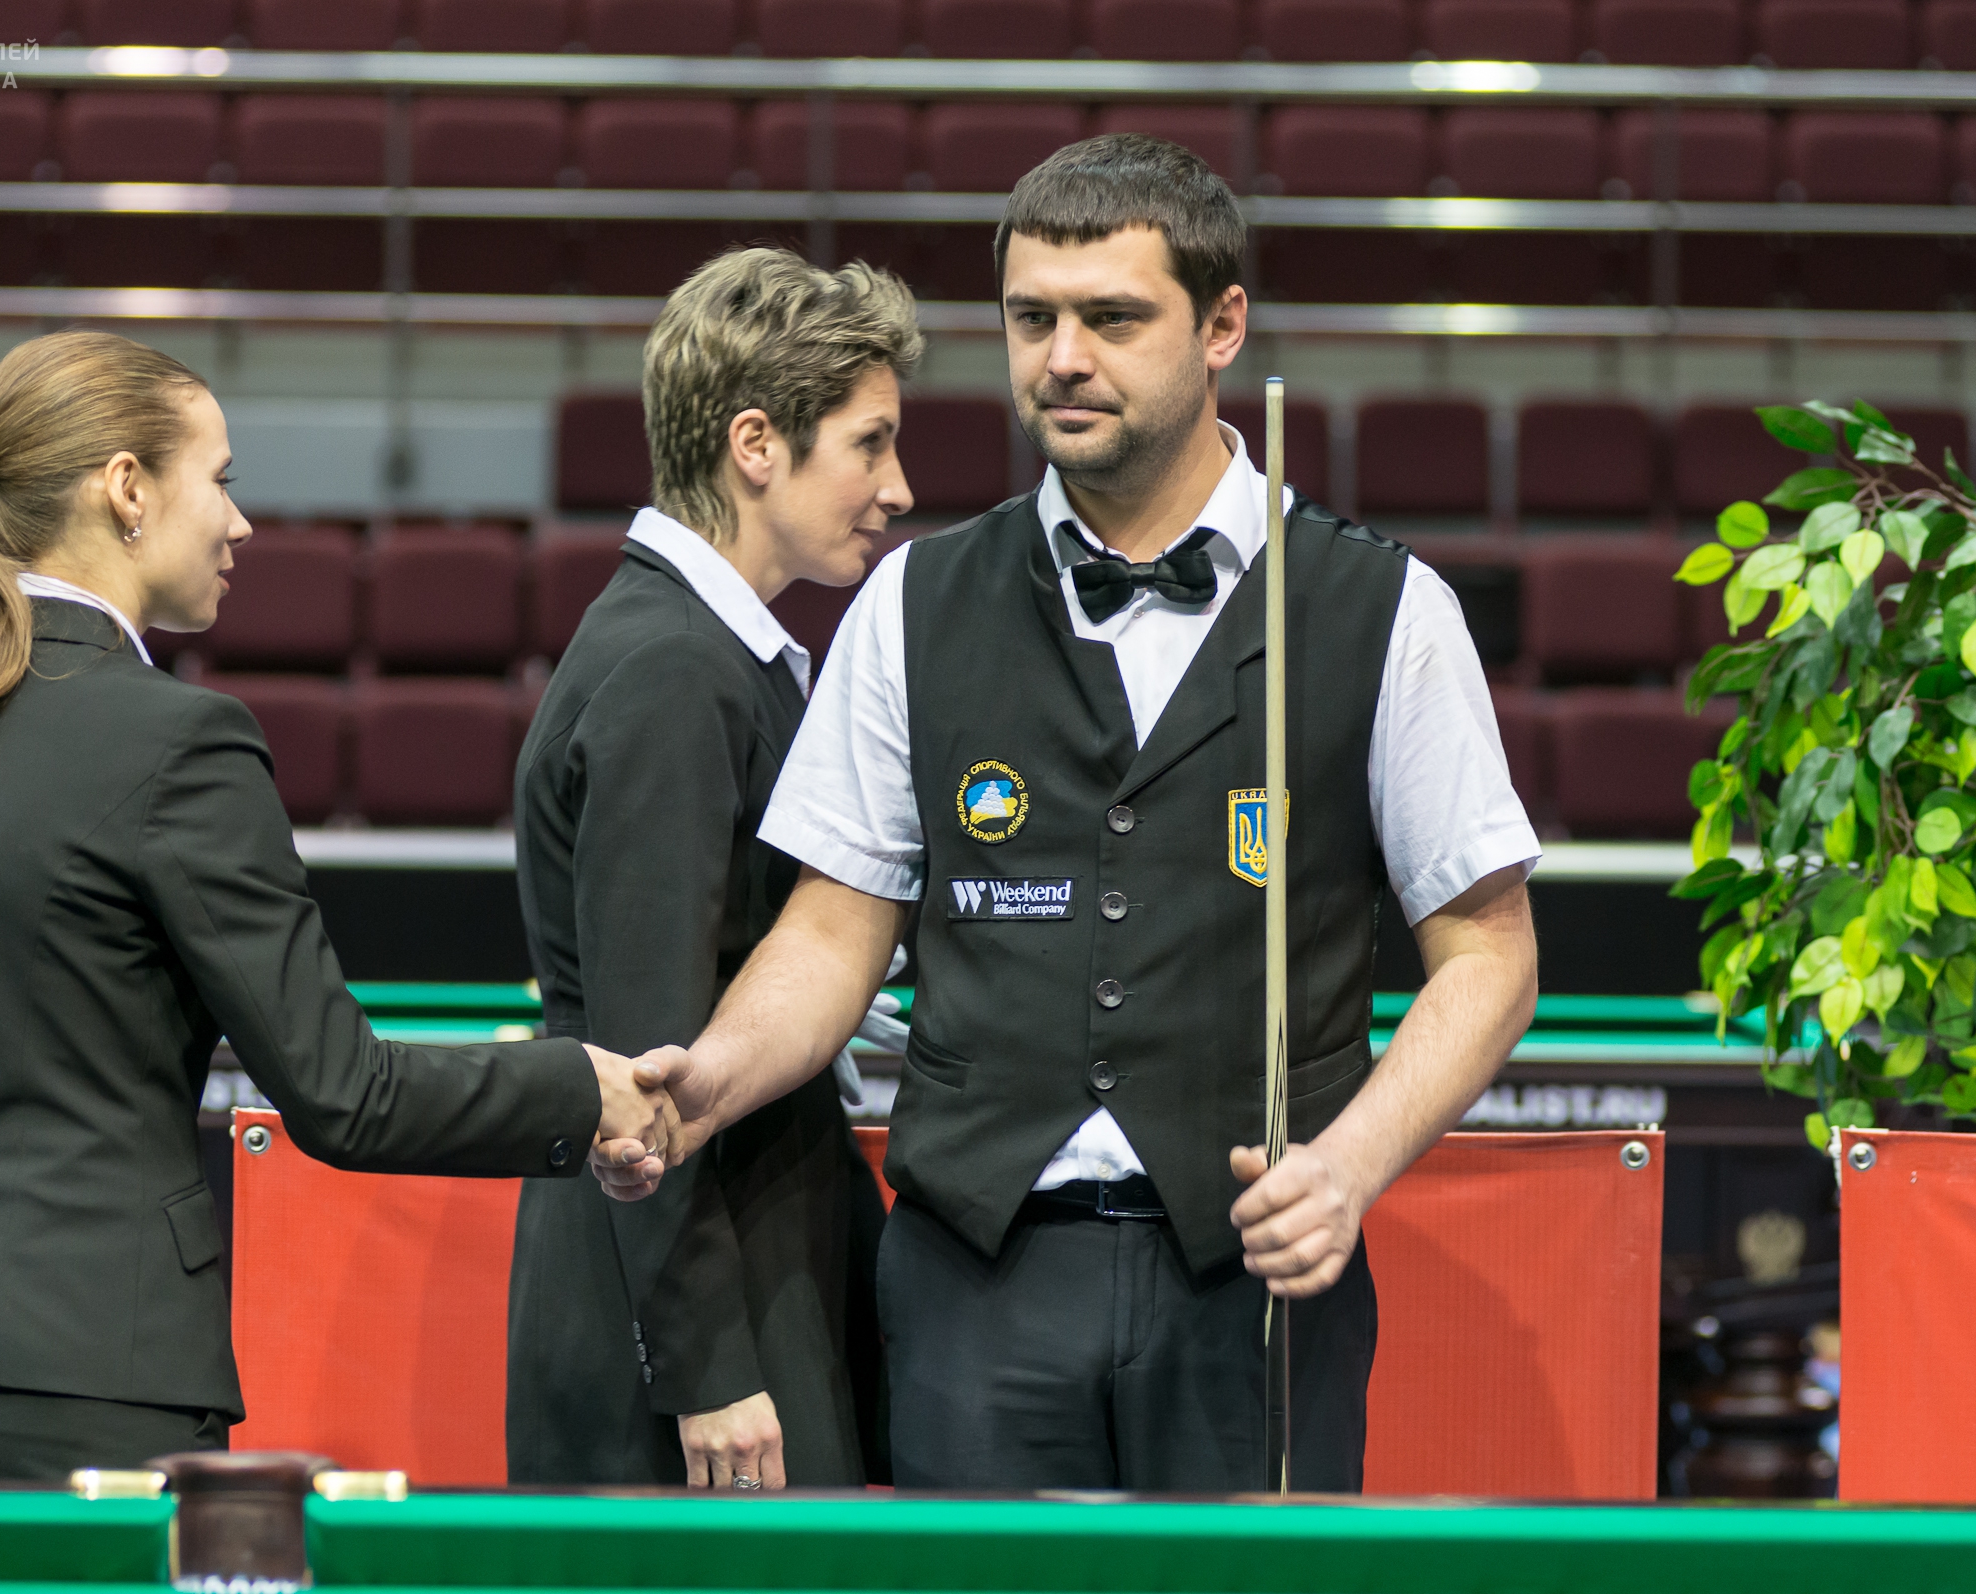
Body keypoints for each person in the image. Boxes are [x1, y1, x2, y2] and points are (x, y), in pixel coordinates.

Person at [642, 135, 1541, 1491]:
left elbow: (1489, 957)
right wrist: (710, 1078)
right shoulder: (912, 602)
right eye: (1030, 319)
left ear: (1222, 326)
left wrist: (1348, 1166)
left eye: (1112, 319)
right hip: (972, 1280)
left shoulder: (1384, 609)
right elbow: (831, 935)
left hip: (1252, 1278)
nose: (1061, 359)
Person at [0, 330, 676, 1482]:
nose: (242, 522)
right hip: (80, 1376)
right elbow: (345, 1094)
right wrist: (581, 1086)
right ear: (127, 488)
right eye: (222, 479)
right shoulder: (180, 743)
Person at [508, 248, 918, 1491]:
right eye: (870, 443)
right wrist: (707, 1363)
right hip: (696, 1285)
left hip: (733, 1243)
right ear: (756, 444)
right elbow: (647, 1067)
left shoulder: (696, 652)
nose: (898, 488)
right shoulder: (677, 671)